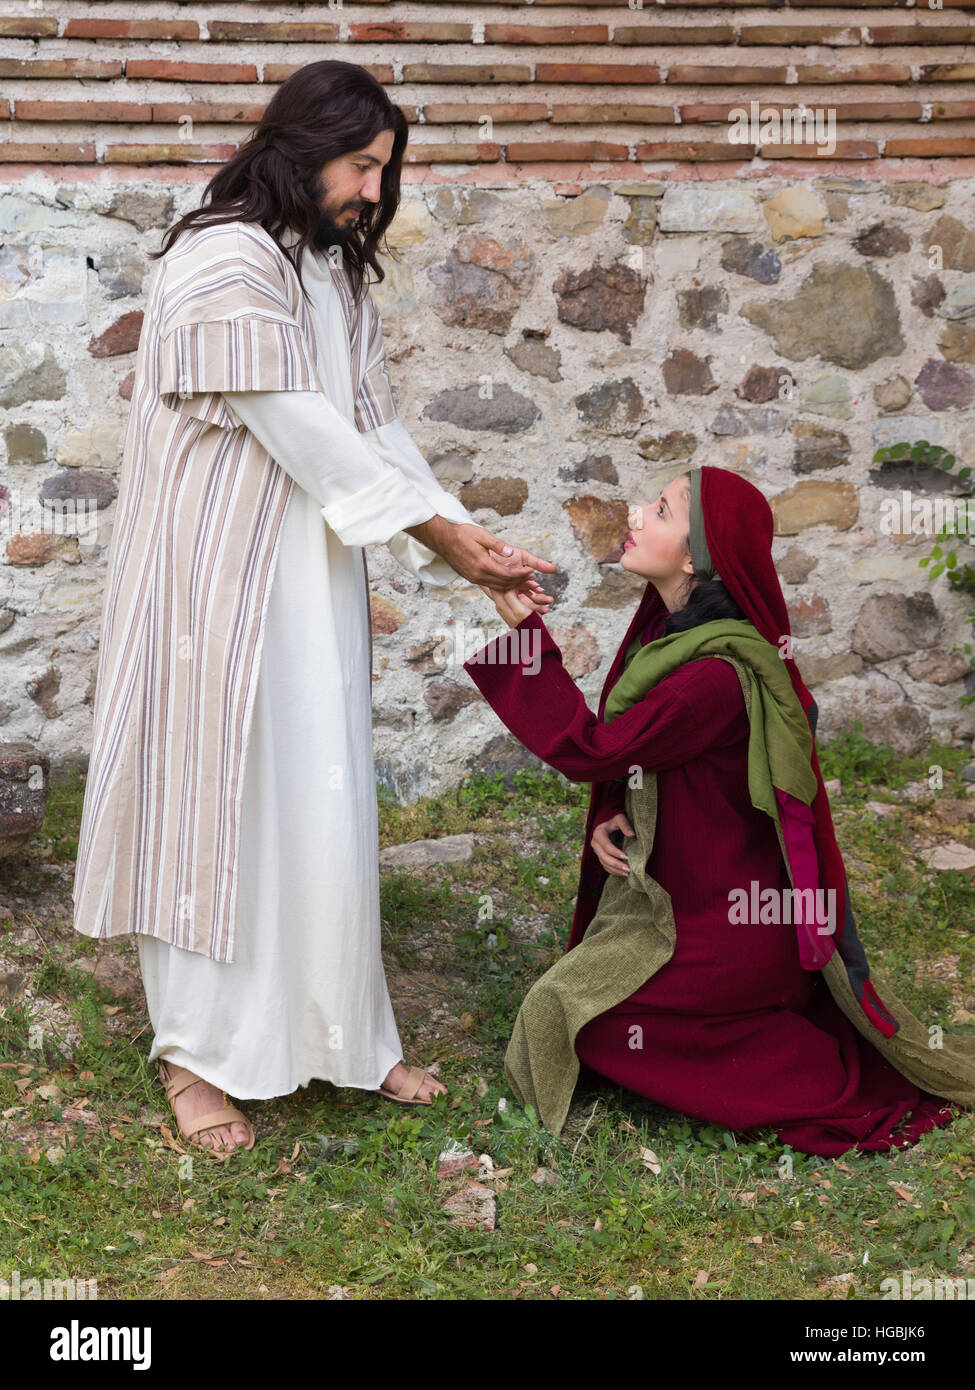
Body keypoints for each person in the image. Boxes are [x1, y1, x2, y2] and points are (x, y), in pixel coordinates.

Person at [71, 60, 555, 1155]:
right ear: (300, 146)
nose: (374, 193)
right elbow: (302, 429)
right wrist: (442, 539)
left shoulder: (330, 277)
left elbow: (374, 431)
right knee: (220, 803)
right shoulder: (220, 262)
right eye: (362, 165)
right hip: (214, 590)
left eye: (386, 172)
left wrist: (462, 533)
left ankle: (347, 1031)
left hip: (312, 578)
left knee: (321, 791)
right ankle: (196, 1057)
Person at [463, 465, 975, 1156]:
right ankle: (760, 1025)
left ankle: (800, 1057)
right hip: (692, 897)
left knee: (571, 1017)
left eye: (663, 511)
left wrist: (527, 641)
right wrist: (613, 809)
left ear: (698, 556)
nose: (637, 515)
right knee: (568, 1010)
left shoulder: (712, 676)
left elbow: (594, 749)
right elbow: (633, 753)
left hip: (728, 924)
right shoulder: (671, 639)